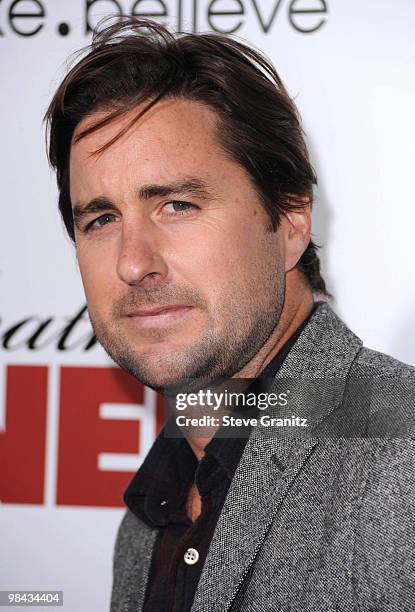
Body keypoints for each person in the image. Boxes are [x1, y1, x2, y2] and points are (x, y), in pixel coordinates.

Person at [45, 16, 415, 612]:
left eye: (178, 204)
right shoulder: (148, 518)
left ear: (291, 221)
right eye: (101, 219)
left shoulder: (401, 466)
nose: (133, 264)